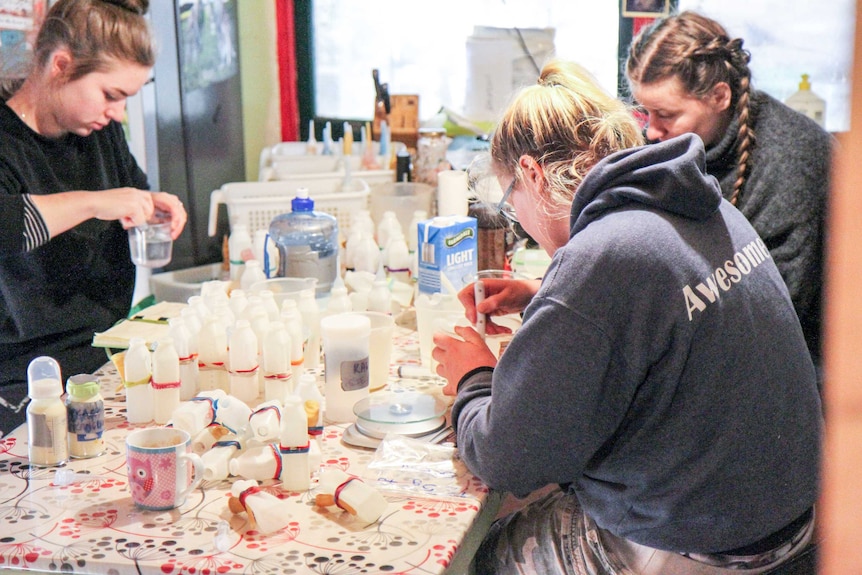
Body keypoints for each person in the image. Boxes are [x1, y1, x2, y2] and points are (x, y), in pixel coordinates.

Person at [432, 59, 822, 574]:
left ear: (530, 173)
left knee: (478, 555)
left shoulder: (604, 256)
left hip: (706, 546)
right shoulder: (696, 202)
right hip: (785, 520)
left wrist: (474, 376)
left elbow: (509, 457)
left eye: (511, 204)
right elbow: (659, 301)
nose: (520, 226)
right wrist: (541, 294)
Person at [0, 0, 187, 434]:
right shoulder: (7, 140)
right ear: (61, 65)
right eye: (110, 95)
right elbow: (8, 225)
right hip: (22, 375)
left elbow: (131, 194)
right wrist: (95, 201)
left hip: (104, 352)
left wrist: (154, 205)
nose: (117, 113)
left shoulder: (101, 133)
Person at [625, 10, 832, 371]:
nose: (651, 132)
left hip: (803, 372)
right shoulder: (693, 145)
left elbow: (773, 316)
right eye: (646, 113)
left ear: (719, 96)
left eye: (666, 114)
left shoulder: (793, 159)